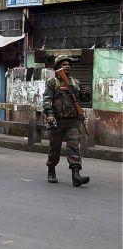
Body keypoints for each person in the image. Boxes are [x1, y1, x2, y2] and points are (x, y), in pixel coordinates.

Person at [43, 55, 91, 187]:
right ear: (58, 67)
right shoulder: (53, 83)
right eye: (64, 64)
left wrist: (86, 94)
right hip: (57, 121)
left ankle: (76, 175)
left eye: (68, 64)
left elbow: (82, 98)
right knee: (54, 148)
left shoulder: (75, 82)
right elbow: (47, 101)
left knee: (74, 147)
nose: (67, 66)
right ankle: (51, 170)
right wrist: (50, 115)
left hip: (72, 121)